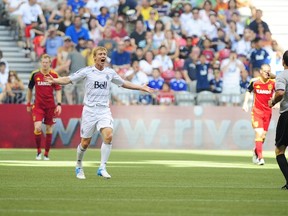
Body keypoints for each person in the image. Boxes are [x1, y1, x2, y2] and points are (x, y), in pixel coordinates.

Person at [44, 46, 154, 180]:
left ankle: (102, 167)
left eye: (104, 54)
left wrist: (140, 87)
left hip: (104, 110)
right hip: (89, 110)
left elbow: (123, 83)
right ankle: (79, 165)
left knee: (108, 136)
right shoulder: (87, 71)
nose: (103, 56)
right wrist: (55, 80)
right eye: (100, 54)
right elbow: (69, 79)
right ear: (94, 57)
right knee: (85, 143)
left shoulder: (110, 73)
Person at [26, 54, 62, 160]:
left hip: (51, 106)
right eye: (43, 62)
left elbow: (58, 89)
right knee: (37, 127)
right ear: (41, 63)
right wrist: (28, 103)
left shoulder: (54, 75)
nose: (45, 64)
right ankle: (38, 152)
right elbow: (29, 89)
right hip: (38, 106)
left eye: (47, 62)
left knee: (49, 129)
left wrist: (59, 104)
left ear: (50, 63)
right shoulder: (35, 74)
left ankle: (46, 154)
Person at [242, 64, 275, 165]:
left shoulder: (273, 83)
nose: (267, 73)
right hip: (257, 111)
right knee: (259, 133)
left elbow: (279, 92)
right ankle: (260, 158)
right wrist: (245, 103)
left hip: (268, 112)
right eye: (265, 71)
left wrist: (275, 102)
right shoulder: (254, 81)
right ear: (261, 71)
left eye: (269, 71)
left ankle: (256, 151)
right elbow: (248, 91)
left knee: (263, 136)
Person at [268, 51, 288, 189]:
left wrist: (273, 101)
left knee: (279, 150)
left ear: (283, 62)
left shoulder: (282, 76)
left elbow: (280, 92)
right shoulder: (280, 76)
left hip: (287, 115)